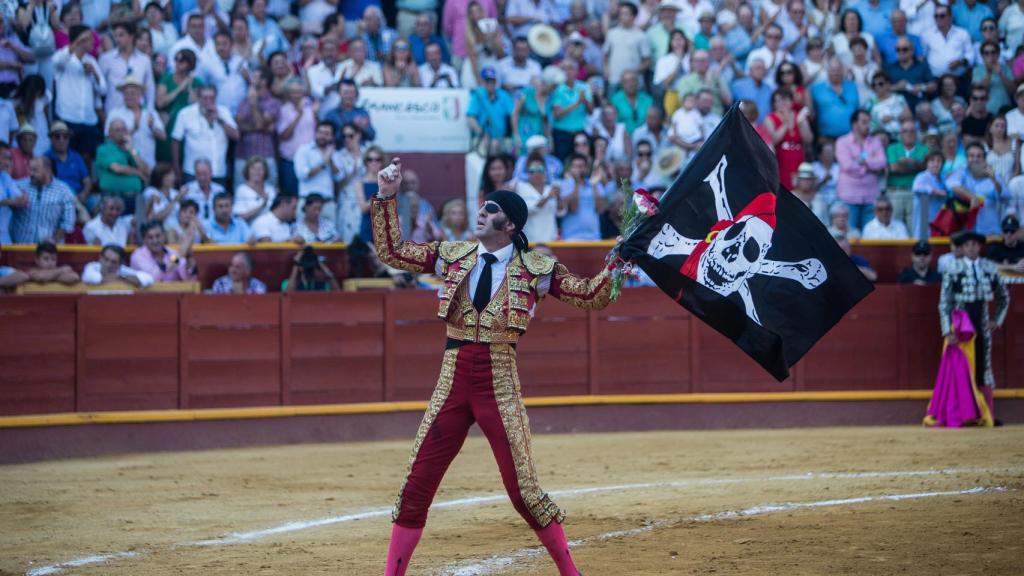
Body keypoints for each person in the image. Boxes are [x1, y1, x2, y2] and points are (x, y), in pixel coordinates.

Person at [372, 157, 616, 576]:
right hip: (452, 379)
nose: (480, 214)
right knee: (415, 486)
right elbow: (392, 251)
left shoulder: (536, 269)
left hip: (499, 383)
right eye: (482, 208)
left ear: (511, 227)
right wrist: (387, 197)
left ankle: (571, 573)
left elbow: (592, 295)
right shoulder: (452, 255)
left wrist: (619, 260)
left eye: (491, 211)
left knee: (523, 492)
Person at [939, 230, 1010, 423]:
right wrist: (947, 330)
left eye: (974, 244)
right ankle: (965, 415)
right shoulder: (953, 268)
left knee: (984, 367)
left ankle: (987, 415)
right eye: (967, 245)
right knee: (964, 368)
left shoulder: (989, 268)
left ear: (980, 247)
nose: (971, 248)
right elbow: (944, 302)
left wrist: (997, 320)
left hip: (983, 322)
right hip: (962, 326)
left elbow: (1004, 297)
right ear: (962, 248)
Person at [836, 109, 887, 230]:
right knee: (849, 236)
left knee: (869, 238)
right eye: (864, 122)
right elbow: (847, 165)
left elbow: (882, 162)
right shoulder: (842, 142)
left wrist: (863, 162)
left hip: (871, 197)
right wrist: (870, 167)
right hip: (849, 197)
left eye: (869, 122)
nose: (868, 125)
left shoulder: (876, 142)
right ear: (854, 124)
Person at [10, 157, 76, 244]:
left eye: (35, 170)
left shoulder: (63, 190)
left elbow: (68, 222)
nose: (31, 173)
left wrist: (54, 240)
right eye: (30, 169)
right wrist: (14, 201)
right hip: (19, 246)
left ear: (48, 170)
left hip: (48, 250)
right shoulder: (18, 186)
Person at [131, 221, 195, 282]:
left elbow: (186, 277)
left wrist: (189, 257)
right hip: (146, 293)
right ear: (144, 240)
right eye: (150, 237)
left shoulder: (171, 254)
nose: (155, 241)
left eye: (158, 236)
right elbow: (154, 277)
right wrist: (180, 254)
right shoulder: (138, 256)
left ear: (164, 236)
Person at [911, 151, 950, 239]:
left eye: (939, 161)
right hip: (924, 223)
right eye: (932, 161)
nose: (936, 164)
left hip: (939, 222)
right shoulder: (922, 176)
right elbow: (917, 188)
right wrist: (935, 191)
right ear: (926, 163)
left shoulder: (943, 178)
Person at [82, 244, 154, 288]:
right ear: (100, 258)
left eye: (114, 262)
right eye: (106, 259)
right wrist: (123, 280)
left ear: (120, 264)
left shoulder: (123, 270)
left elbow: (149, 278)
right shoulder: (92, 266)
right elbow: (91, 278)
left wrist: (121, 278)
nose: (108, 264)